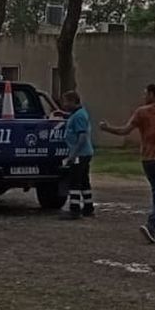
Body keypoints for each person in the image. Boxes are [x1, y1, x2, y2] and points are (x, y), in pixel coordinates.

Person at [101, 83, 155, 243]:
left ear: (153, 94)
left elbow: (124, 131)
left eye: (145, 94)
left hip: (148, 159)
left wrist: (107, 129)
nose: (144, 96)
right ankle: (152, 223)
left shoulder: (141, 113)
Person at [60, 89, 95, 220]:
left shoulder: (79, 116)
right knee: (84, 181)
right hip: (83, 153)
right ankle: (88, 207)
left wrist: (73, 155)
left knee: (75, 181)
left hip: (80, 154)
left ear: (73, 101)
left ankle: (74, 210)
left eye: (66, 102)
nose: (64, 105)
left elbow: (82, 137)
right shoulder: (77, 114)